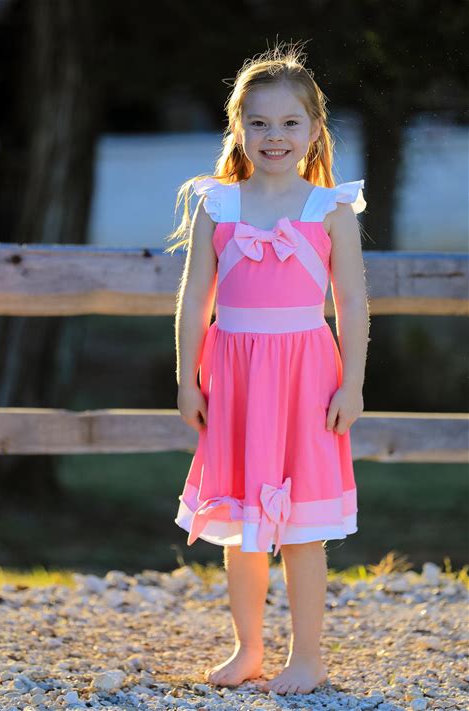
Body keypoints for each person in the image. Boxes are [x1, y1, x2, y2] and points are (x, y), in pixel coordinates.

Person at [165, 42, 370, 696]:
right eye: (258, 122)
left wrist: (353, 384)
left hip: (307, 380)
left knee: (303, 526)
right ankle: (247, 648)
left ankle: (306, 657)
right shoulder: (218, 207)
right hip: (235, 380)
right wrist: (187, 379)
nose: (273, 135)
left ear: (313, 129)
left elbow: (352, 303)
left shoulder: (330, 209)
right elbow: (195, 299)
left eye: (288, 122)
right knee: (242, 526)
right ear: (238, 127)